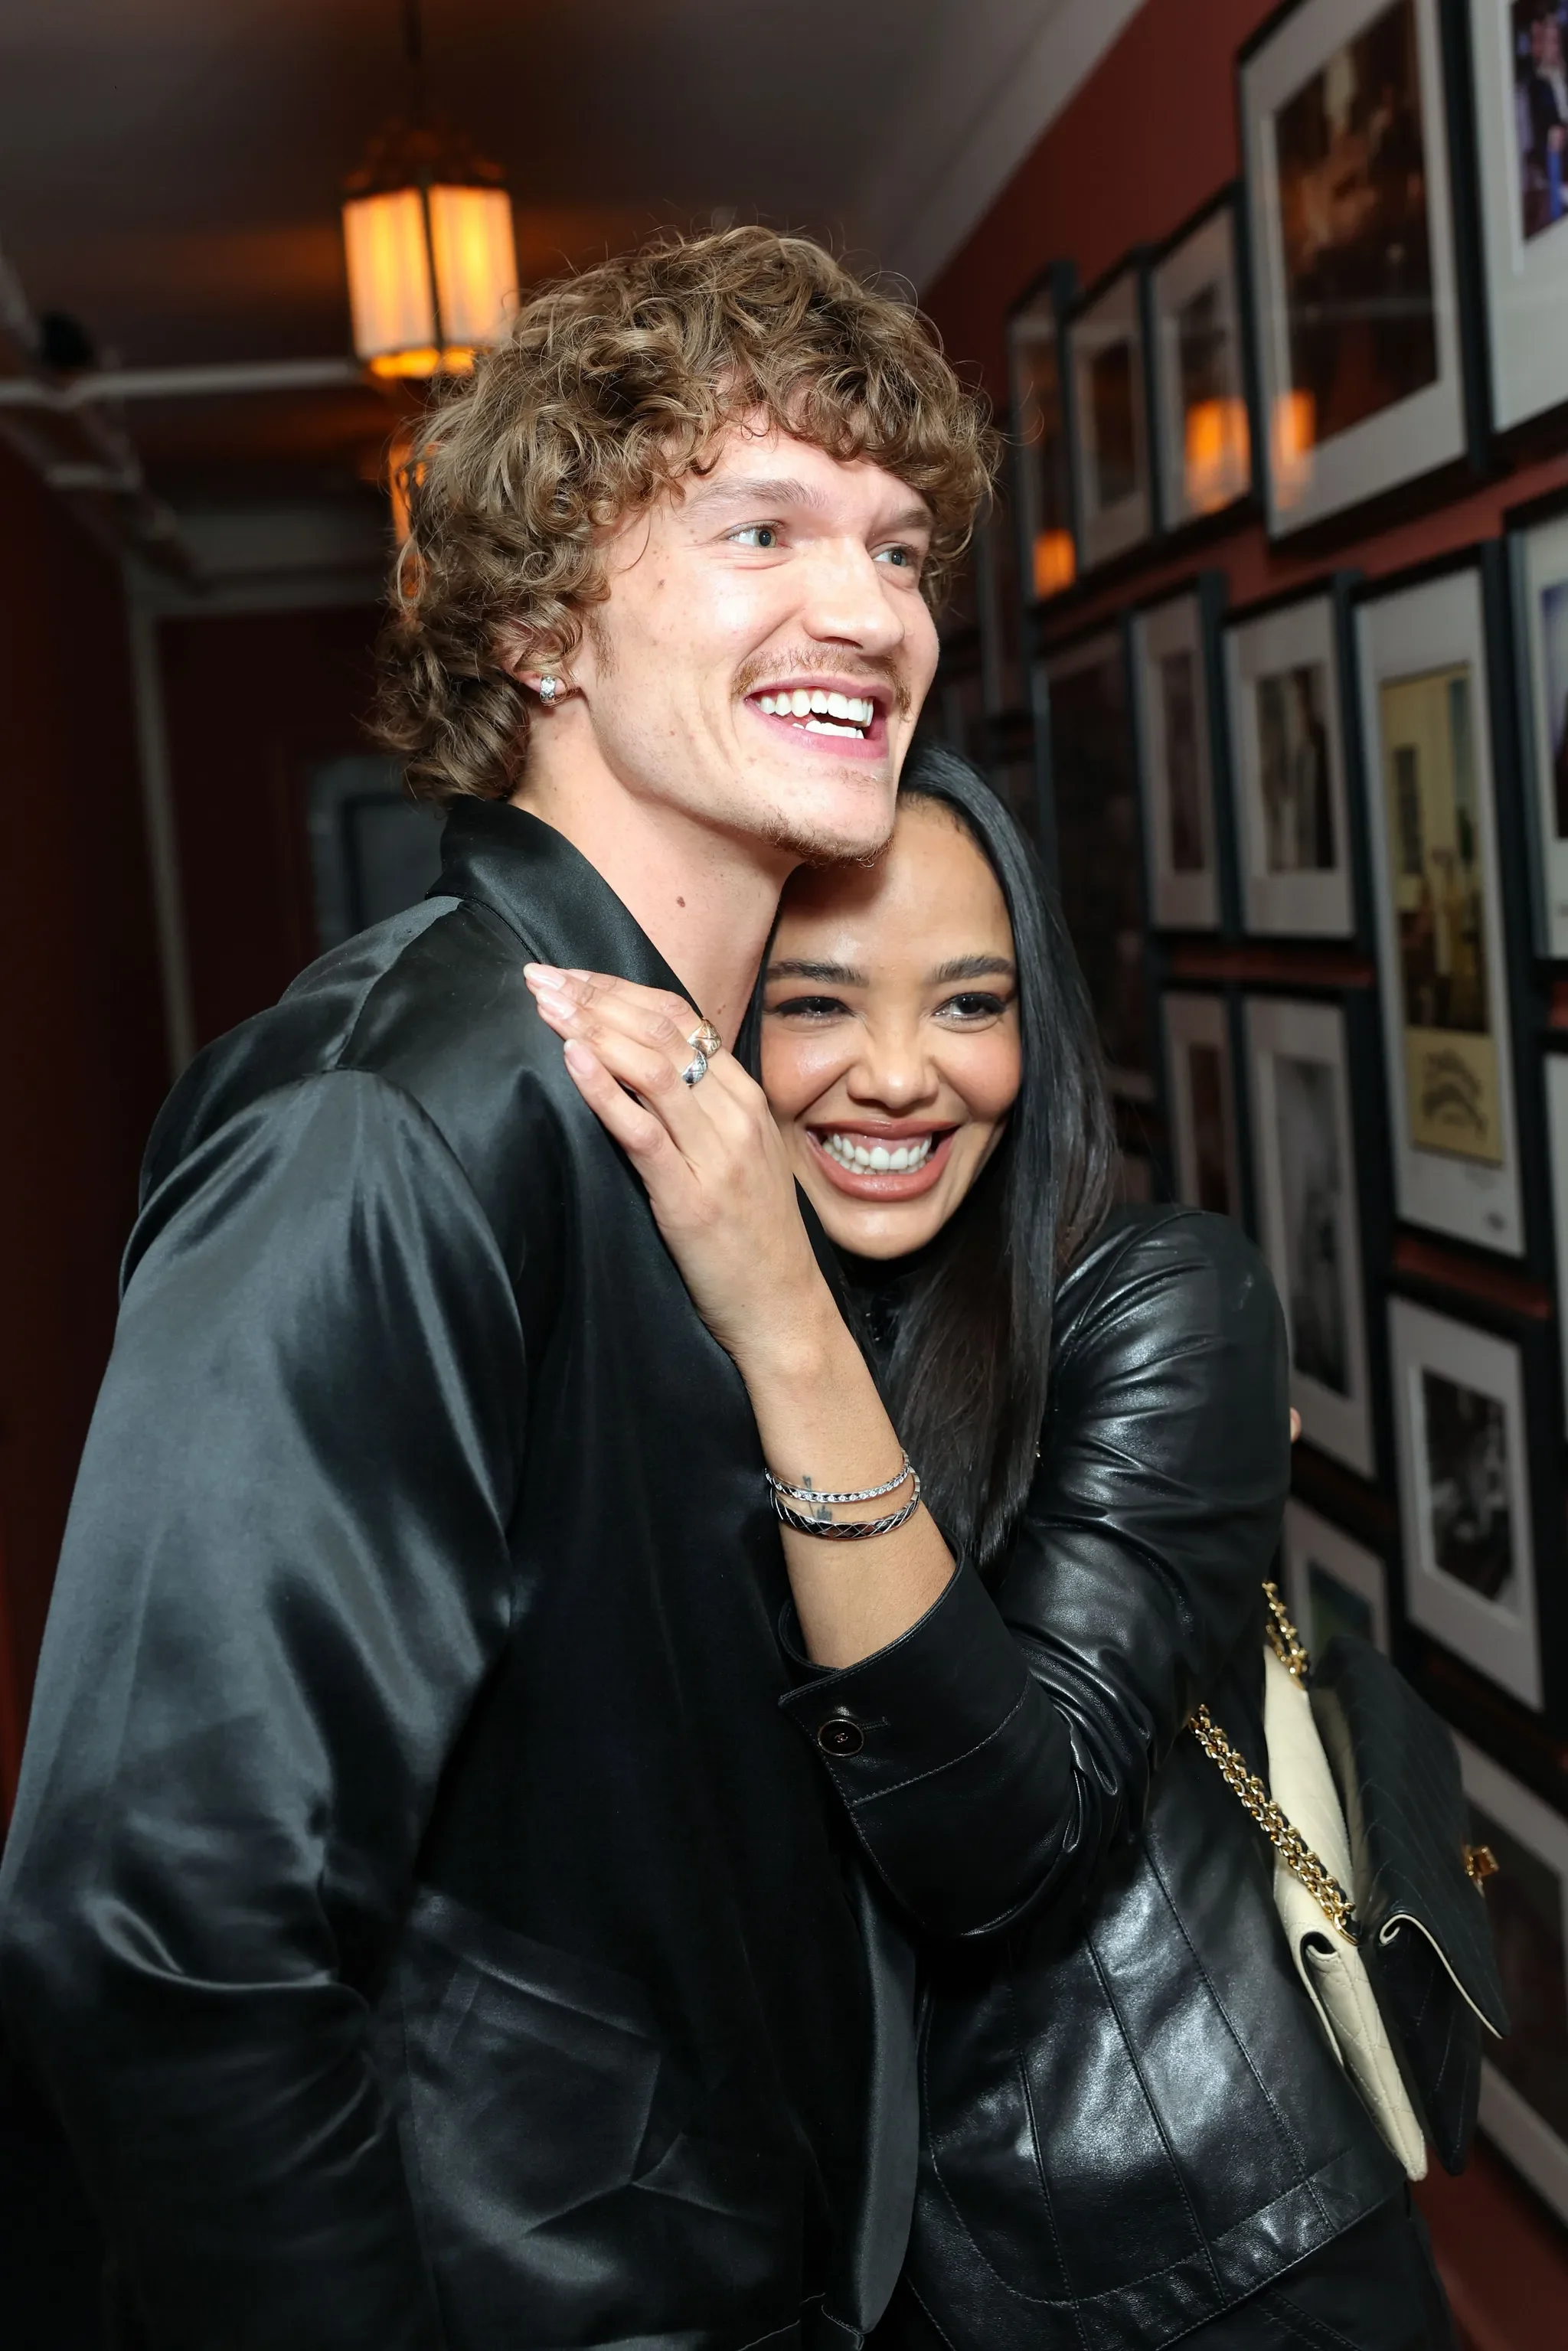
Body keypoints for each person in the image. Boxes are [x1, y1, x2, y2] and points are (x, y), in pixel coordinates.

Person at [0, 228, 995, 2350]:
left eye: (901, 549)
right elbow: (156, 1921)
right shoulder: (389, 1111)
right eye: (761, 529)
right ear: (540, 625)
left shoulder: (698, 1101)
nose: (871, 610)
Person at [529, 744, 1457, 2350]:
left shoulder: (1165, 1301)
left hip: (1191, 2273)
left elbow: (999, 1845)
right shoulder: (647, 1336)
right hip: (825, 2267)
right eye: (817, 1004)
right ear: (717, 1026)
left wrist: (786, 1320)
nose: (901, 1075)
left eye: (970, 1003)